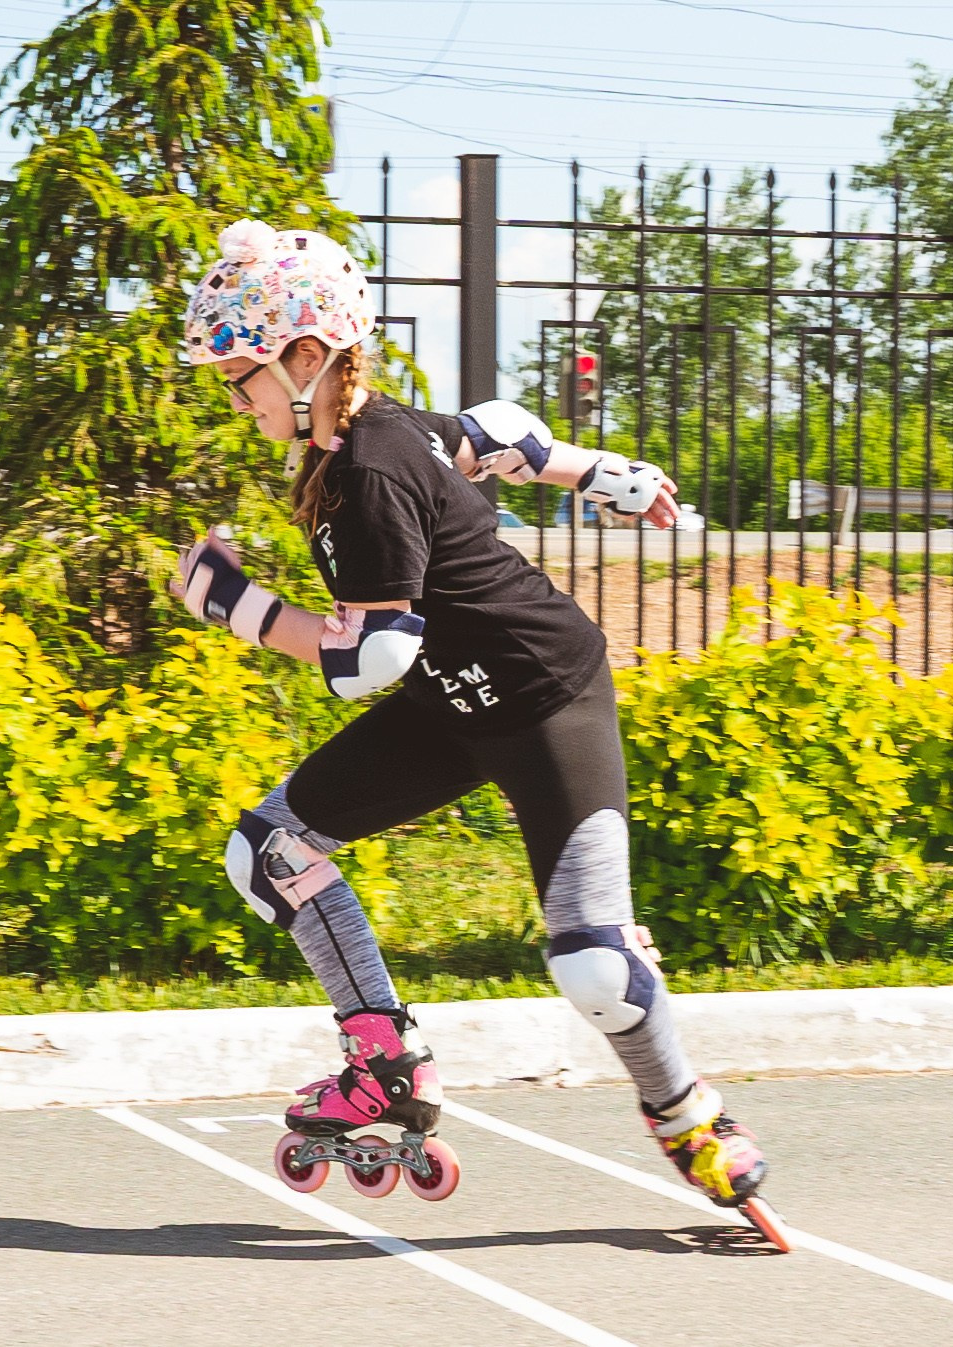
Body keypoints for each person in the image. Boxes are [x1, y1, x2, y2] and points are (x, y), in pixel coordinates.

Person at [171, 218, 773, 1218]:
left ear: (306, 357)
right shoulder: (346, 444)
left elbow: (371, 658)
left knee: (591, 962)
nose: (233, 397)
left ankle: (687, 1115)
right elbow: (495, 435)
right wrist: (603, 475)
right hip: (450, 707)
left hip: (544, 698)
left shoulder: (364, 466)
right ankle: (383, 1059)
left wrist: (235, 606)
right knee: (269, 851)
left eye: (241, 374)